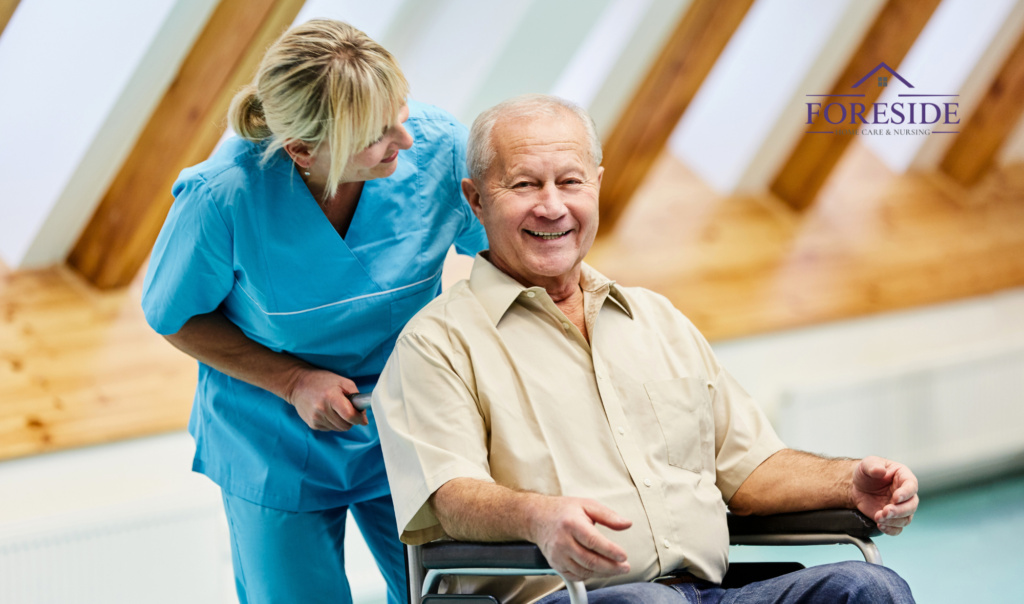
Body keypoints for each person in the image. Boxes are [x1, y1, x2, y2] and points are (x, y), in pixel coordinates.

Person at [371, 94, 918, 604]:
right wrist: (538, 517)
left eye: (570, 181)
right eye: (523, 185)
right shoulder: (435, 343)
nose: (552, 206)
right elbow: (452, 496)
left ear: (598, 186)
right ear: (475, 200)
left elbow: (750, 470)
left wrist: (849, 484)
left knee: (866, 587)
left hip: (708, 589)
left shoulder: (657, 319)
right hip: (570, 596)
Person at [141, 20, 487, 604]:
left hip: (408, 418)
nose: (405, 140)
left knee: (452, 595)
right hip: (273, 433)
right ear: (302, 150)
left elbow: (503, 258)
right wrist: (293, 380)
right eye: (377, 135)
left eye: (401, 111)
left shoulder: (440, 148)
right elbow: (174, 317)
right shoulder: (224, 196)